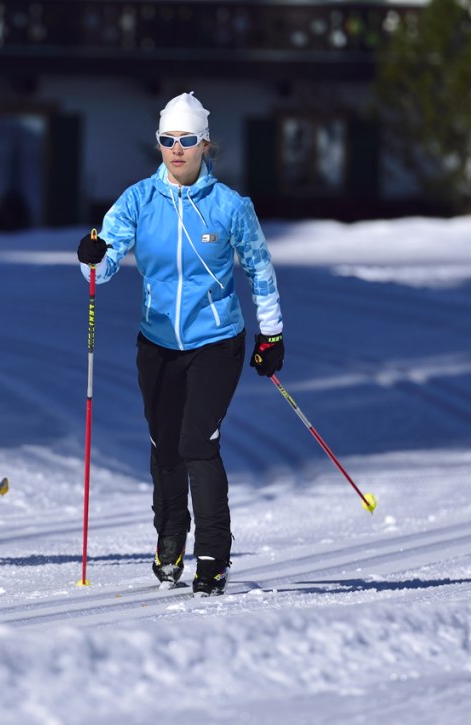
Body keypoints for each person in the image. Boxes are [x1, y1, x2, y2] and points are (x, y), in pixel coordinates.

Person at [76, 92, 284, 596]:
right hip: (157, 344)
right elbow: (101, 268)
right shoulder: (138, 200)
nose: (176, 150)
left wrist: (271, 332)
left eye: (187, 140)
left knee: (197, 443)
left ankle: (213, 554)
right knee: (164, 445)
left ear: (205, 145)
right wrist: (91, 255)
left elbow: (259, 267)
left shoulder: (230, 207)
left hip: (217, 342)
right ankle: (170, 536)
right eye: (167, 140)